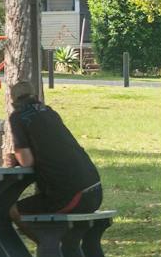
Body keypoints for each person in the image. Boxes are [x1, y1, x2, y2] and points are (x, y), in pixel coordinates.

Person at [6, 85, 102, 218]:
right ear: (35, 96)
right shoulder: (50, 112)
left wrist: (15, 158)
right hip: (95, 191)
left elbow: (26, 161)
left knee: (12, 210)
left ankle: (45, 240)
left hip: (72, 197)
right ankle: (54, 239)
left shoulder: (18, 117)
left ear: (13, 99)